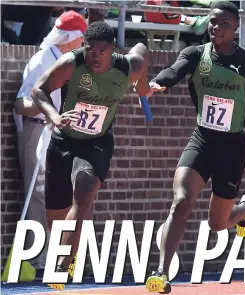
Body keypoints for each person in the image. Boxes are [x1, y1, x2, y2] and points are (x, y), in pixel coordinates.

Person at [144, 2, 245, 293]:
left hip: (233, 148)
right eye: (212, 22)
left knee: (217, 224)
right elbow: (174, 71)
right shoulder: (196, 54)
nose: (216, 27)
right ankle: (161, 272)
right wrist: (158, 84)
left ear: (235, 27)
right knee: (182, 201)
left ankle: (244, 208)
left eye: (223, 23)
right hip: (202, 140)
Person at [31, 21, 150, 290]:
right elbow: (39, 90)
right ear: (83, 45)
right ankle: (70, 254)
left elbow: (143, 49)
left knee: (84, 193)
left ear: (112, 50)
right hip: (64, 140)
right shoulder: (71, 63)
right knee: (55, 218)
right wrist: (55, 116)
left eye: (102, 51)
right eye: (90, 49)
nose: (95, 56)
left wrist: (142, 88)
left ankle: (61, 266)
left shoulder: (126, 67)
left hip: (97, 142)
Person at [13, 10, 86, 279]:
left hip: (59, 132)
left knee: (58, 195)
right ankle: (38, 259)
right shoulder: (42, 60)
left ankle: (59, 257)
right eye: (82, 38)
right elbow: (21, 103)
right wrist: (47, 113)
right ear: (71, 37)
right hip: (37, 130)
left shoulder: (70, 60)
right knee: (38, 195)